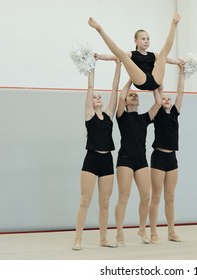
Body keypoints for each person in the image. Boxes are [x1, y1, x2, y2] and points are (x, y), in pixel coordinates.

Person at [72, 60, 121, 250]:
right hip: (91, 160)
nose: (98, 97)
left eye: (100, 96)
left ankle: (103, 238)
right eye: (95, 97)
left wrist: (118, 66)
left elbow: (115, 89)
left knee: (105, 202)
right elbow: (91, 86)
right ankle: (78, 238)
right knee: (85, 200)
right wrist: (91, 66)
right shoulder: (89, 115)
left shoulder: (109, 115)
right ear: (91, 102)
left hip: (107, 160)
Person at [114, 79, 162, 245]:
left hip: (141, 160)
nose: (134, 96)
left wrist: (153, 84)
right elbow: (120, 99)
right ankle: (119, 232)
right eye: (131, 95)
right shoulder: (121, 116)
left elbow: (158, 102)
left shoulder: (144, 118)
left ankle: (142, 228)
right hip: (125, 160)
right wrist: (131, 80)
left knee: (146, 196)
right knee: (124, 197)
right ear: (127, 101)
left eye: (136, 95)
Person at [88, 13, 182, 91]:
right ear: (136, 41)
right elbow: (114, 57)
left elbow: (167, 60)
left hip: (155, 81)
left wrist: (179, 62)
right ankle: (100, 30)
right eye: (143, 39)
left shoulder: (153, 55)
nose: (146, 41)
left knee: (163, 54)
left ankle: (174, 24)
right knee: (122, 56)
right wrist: (99, 56)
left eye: (148, 39)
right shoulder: (132, 54)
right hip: (141, 80)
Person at [149, 64, 184, 244]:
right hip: (158, 158)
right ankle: (153, 232)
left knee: (170, 196)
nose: (167, 99)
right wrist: (157, 74)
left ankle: (171, 231)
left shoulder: (175, 113)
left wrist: (182, 72)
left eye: (168, 98)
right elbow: (157, 91)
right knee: (156, 196)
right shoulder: (157, 114)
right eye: (164, 98)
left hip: (172, 158)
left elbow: (180, 91)